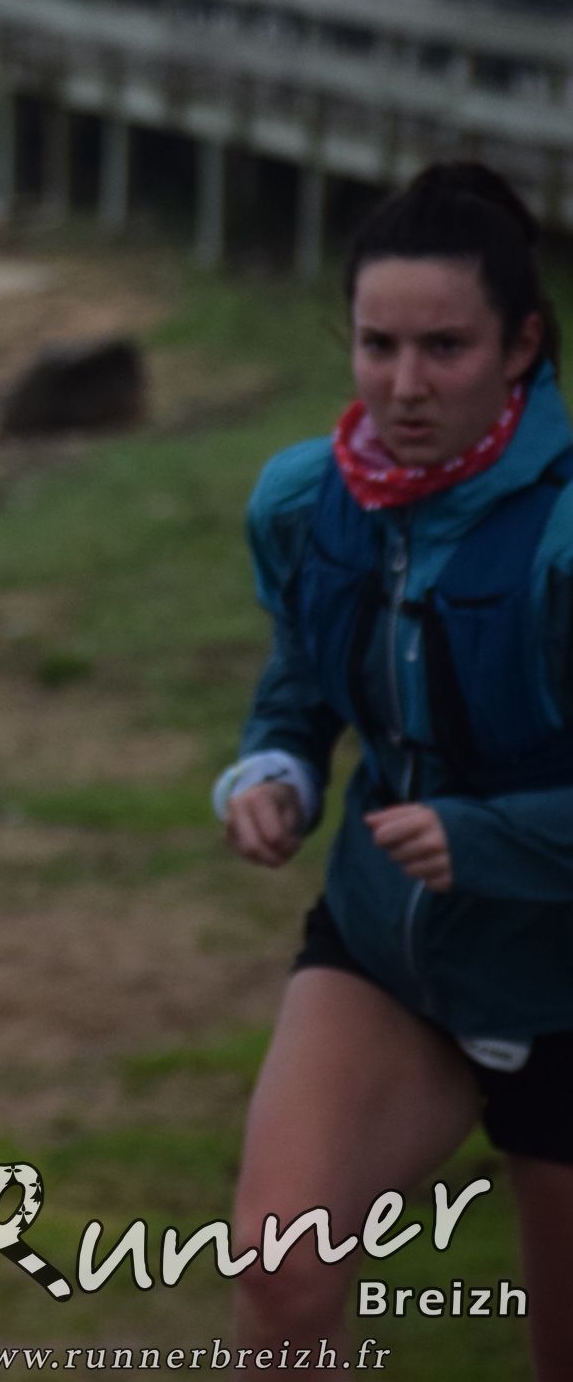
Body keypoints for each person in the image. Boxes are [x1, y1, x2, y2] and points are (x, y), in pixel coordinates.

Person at [213, 162, 573, 1372]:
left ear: (520, 346)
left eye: (445, 347)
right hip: (390, 949)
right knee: (279, 1273)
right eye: (378, 345)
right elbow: (302, 677)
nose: (405, 385)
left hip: (561, 974)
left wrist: (490, 838)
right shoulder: (303, 500)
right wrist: (273, 768)